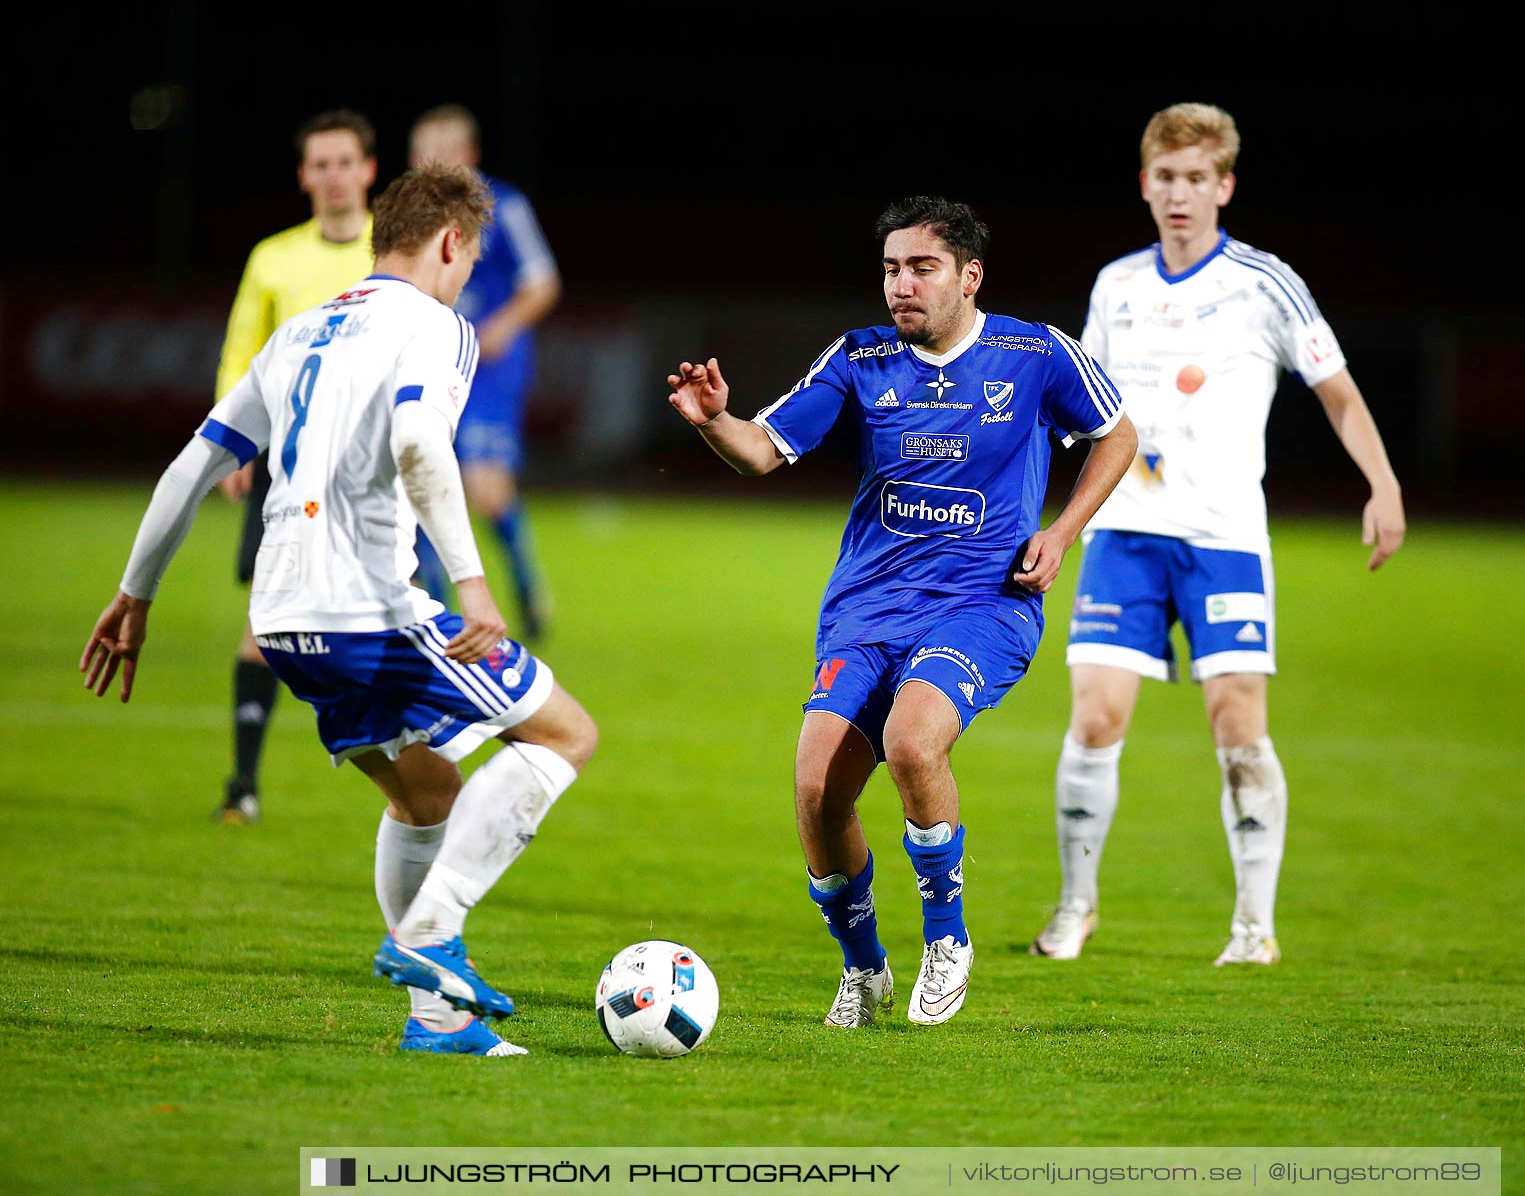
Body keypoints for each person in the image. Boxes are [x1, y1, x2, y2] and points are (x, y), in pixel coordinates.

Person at [81, 165, 597, 1056]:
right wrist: (472, 582)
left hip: (281, 623)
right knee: (563, 734)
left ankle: (440, 1026)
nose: (469, 274)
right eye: (471, 256)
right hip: (369, 610)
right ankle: (429, 938)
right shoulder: (440, 327)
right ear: (448, 242)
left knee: (425, 790)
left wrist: (136, 593)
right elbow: (416, 437)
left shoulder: (299, 333)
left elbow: (190, 468)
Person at [666, 197, 1137, 1027]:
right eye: (890, 268)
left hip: (982, 606)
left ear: (969, 275)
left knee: (912, 743)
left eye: (921, 268)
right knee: (817, 792)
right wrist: (713, 422)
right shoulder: (860, 357)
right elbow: (759, 451)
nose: (900, 286)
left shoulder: (1034, 353)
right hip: (866, 610)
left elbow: (1118, 433)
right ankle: (864, 968)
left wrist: (1062, 533)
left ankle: (947, 942)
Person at [1032, 102, 1407, 967]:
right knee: (1094, 719)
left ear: (1224, 186)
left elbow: (1338, 391)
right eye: (1166, 178)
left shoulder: (1264, 282)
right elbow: (1079, 407)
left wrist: (1383, 484)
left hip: (1224, 536)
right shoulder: (1116, 286)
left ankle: (1253, 927)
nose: (1180, 194)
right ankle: (1075, 908)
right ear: (1145, 184)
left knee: (1237, 723)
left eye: (1197, 179)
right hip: (1124, 528)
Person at [212, 109, 381, 825]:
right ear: (304, 175)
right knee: (263, 628)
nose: (334, 175)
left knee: (391, 623)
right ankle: (242, 788)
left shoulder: (395, 250)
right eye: (322, 163)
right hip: (285, 469)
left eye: (346, 161)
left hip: (371, 474)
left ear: (369, 170)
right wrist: (232, 442)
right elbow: (241, 351)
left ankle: (415, 793)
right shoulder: (274, 258)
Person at [407, 105, 561, 640]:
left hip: (489, 370)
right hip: (426, 363)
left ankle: (526, 586)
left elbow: (543, 283)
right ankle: (438, 614)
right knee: (422, 480)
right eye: (423, 155)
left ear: (469, 157)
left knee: (486, 488)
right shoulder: (406, 214)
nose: (432, 165)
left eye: (444, 154)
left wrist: (499, 328)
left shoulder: (504, 206)